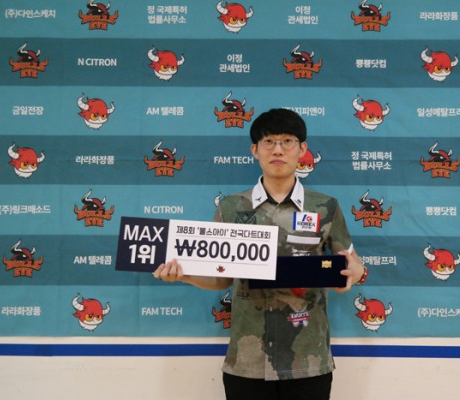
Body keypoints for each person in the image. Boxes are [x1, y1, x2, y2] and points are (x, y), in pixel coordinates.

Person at [153, 108, 367, 400]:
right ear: (255, 150)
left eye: (287, 141)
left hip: (308, 360)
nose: (278, 150)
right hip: (247, 361)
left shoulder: (326, 207)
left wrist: (355, 273)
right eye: (269, 142)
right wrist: (184, 275)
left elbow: (351, 265)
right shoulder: (231, 208)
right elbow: (221, 278)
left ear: (302, 149)